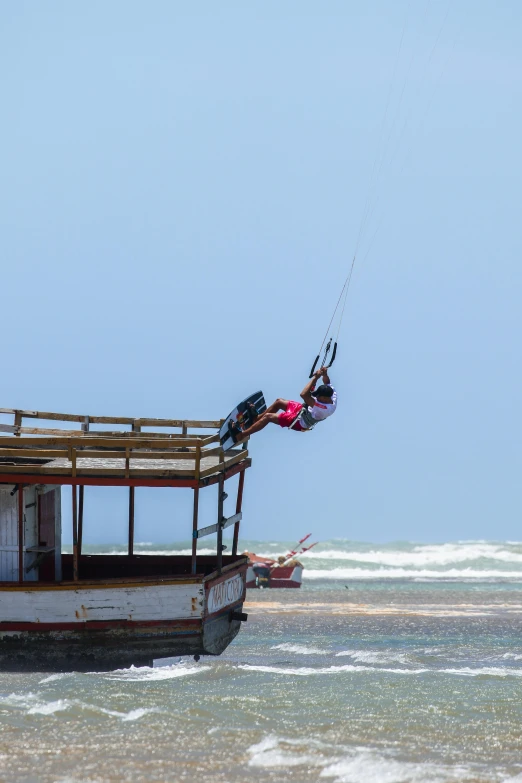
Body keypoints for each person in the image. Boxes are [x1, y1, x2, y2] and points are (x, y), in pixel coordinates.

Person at [233, 366, 337, 440]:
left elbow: (304, 395)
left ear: (324, 398)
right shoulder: (332, 395)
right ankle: (256, 419)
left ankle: (242, 435)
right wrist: (324, 374)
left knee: (269, 417)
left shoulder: (323, 409)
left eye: (319, 397)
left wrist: (316, 377)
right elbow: (327, 382)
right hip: (302, 410)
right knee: (279, 401)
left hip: (299, 422)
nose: (317, 397)